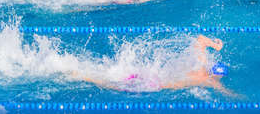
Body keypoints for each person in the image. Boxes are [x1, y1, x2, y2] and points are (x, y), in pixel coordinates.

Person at [70, 35, 235, 95]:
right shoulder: (209, 81)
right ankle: (83, 77)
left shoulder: (201, 64)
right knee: (111, 86)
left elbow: (200, 39)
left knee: (115, 76)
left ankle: (81, 72)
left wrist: (216, 45)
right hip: (155, 85)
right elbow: (227, 94)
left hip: (151, 73)